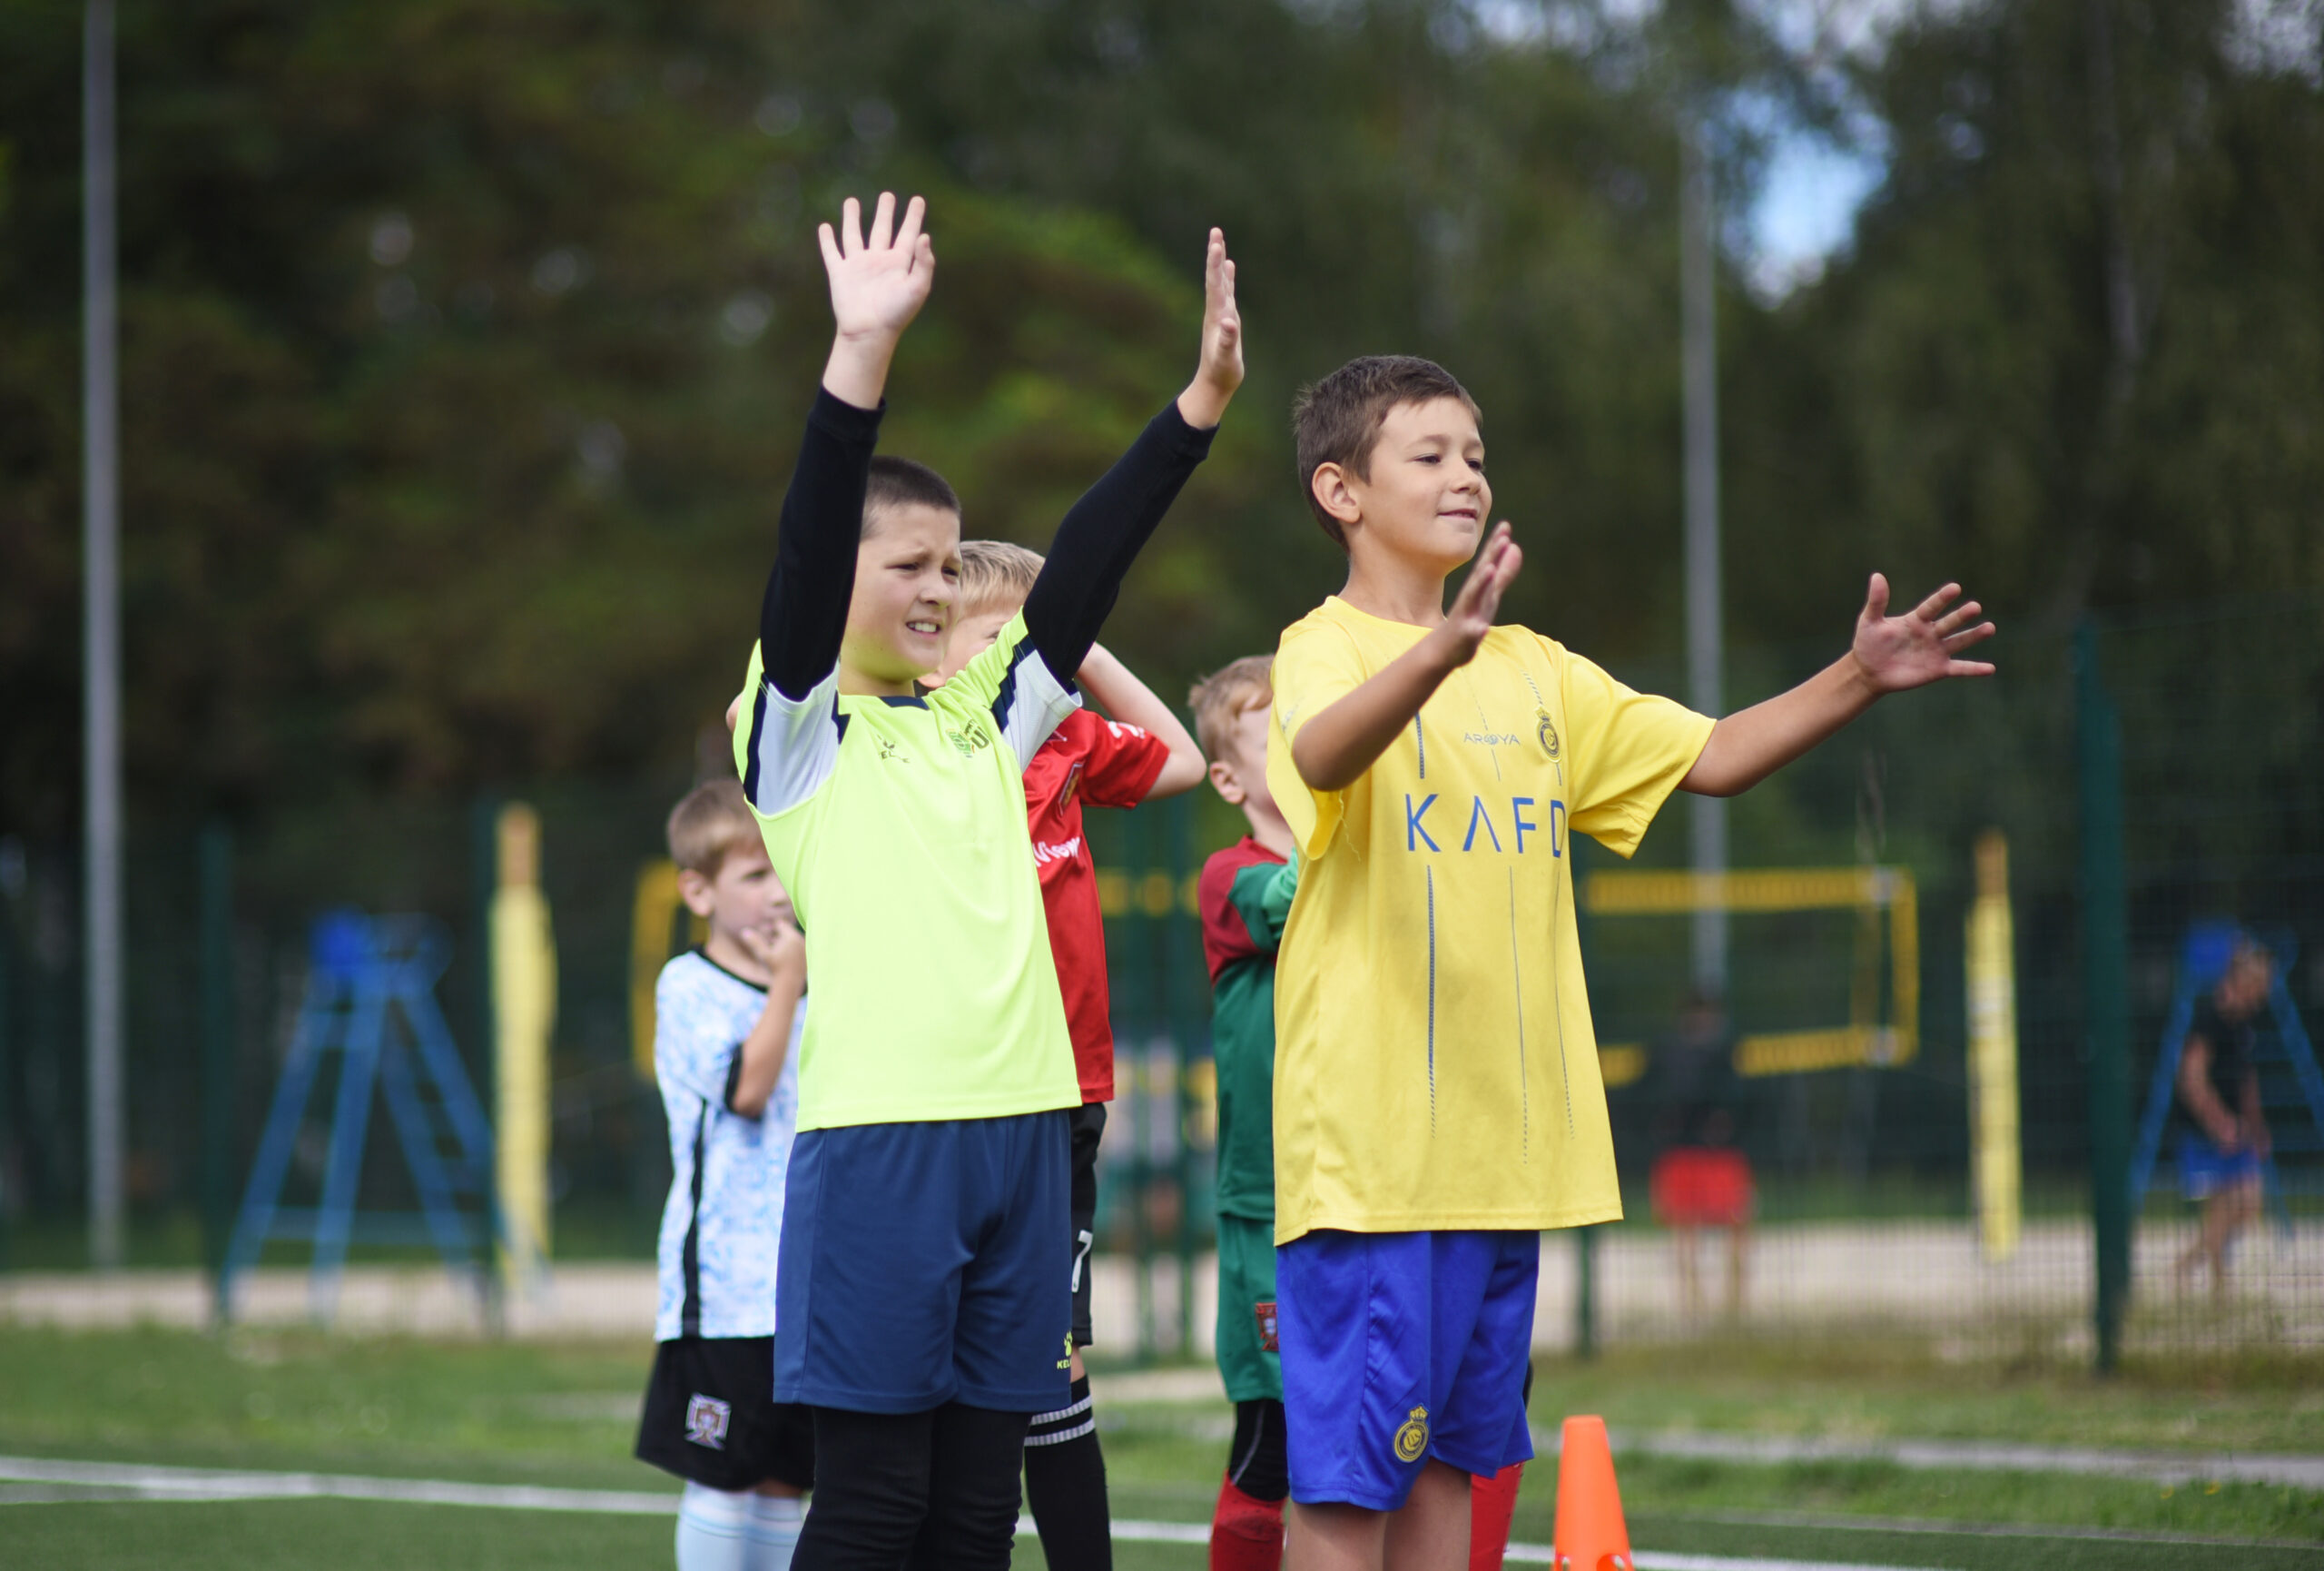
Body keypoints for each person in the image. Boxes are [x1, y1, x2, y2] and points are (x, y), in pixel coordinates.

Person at [1264, 354, 1994, 1570]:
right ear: (1341, 491)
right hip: (1373, 1167)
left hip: (1505, 1166)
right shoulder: (1322, 649)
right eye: (1429, 453)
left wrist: (1858, 676)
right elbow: (1324, 755)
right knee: (1347, 1497)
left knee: (1447, 1480)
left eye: (1476, 454)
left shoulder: (1537, 669)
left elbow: (1712, 755)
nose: (1465, 475)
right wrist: (1437, 653)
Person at [730, 191, 1243, 1568]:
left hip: (1023, 1139)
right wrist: (861, 355)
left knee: (973, 1512)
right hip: (887, 1147)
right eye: (908, 562)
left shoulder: (984, 716)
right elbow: (805, 555)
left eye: (950, 564)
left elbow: (1081, 571)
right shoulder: (798, 734)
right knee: (875, 1505)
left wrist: (1195, 408)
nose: (935, 587)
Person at [1191, 657, 1532, 1571]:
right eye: (1278, 734)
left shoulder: (1388, 863)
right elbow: (1302, 891)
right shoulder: (1233, 878)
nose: (1306, 743)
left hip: (1388, 1193)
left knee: (1446, 1422)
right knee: (1275, 1438)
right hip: (1274, 1202)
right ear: (1227, 778)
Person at [928, 538, 1207, 1571]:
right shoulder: (923, 753)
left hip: (1066, 1093)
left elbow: (1183, 758)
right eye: (998, 635)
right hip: (961, 1094)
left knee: (1053, 1356)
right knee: (956, 1358)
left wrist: (1080, 646)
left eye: (1032, 632)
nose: (1024, 650)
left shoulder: (1068, 738)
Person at [635, 779, 813, 1571]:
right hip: (727, 1289)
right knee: (722, 1475)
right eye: (753, 875)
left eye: (782, 868)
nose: (776, 891)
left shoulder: (816, 981)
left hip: (805, 1279)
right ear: (699, 892)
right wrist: (786, 983)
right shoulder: (688, 985)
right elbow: (747, 1091)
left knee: (784, 1480)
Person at [2174, 940, 2276, 1298]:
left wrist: (2256, 1126)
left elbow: (2246, 1080)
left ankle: (2186, 1265)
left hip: (2236, 1129)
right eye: (2259, 984)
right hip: (2207, 1130)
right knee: (2223, 1207)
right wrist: (2219, 1123)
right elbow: (2192, 1078)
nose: (2263, 993)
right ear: (2240, 978)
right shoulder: (2209, 1019)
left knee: (2248, 1204)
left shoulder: (2243, 1023)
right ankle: (2220, 1288)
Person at [1645, 990, 1752, 1321]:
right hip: (1683, 1153)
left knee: (1737, 1225)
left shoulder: (1725, 1053)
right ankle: (1693, 1306)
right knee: (1685, 1230)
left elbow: (1741, 1104)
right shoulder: (1669, 1054)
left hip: (1721, 1154)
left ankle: (1734, 1306)